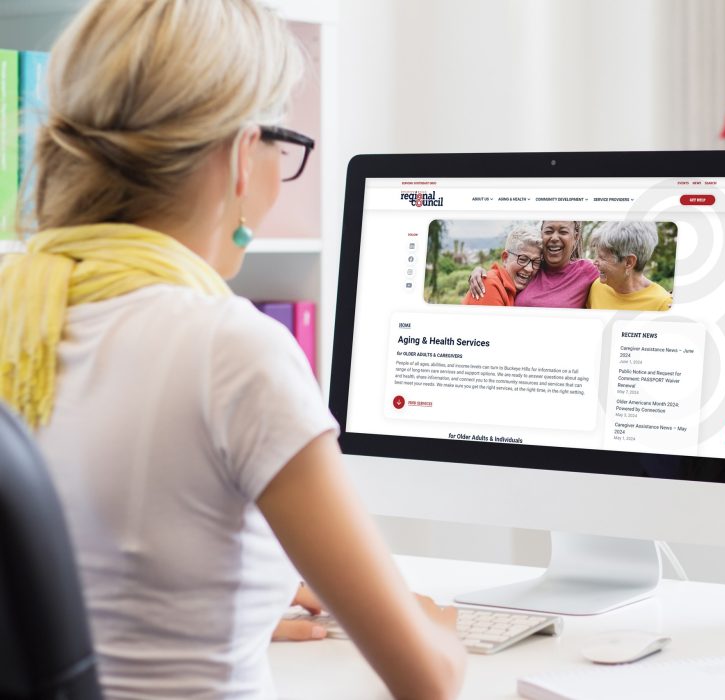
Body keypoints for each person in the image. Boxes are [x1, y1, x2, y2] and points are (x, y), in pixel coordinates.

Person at [0, 1, 465, 698]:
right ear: (244, 154)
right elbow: (426, 679)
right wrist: (440, 632)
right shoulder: (232, 349)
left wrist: (235, 599)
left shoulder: (18, 305)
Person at [469, 220, 599, 308]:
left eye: (563, 231)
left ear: (575, 237)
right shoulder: (534, 268)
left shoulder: (587, 271)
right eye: (548, 231)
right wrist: (481, 272)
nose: (554, 237)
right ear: (542, 233)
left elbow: (615, 272)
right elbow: (506, 273)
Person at [586, 221, 673, 311]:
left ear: (629, 262)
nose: (594, 262)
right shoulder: (597, 287)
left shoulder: (663, 305)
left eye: (602, 257)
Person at [461, 226, 542, 306]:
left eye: (536, 262)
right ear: (505, 258)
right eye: (523, 259)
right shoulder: (489, 286)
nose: (529, 269)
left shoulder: (514, 288)